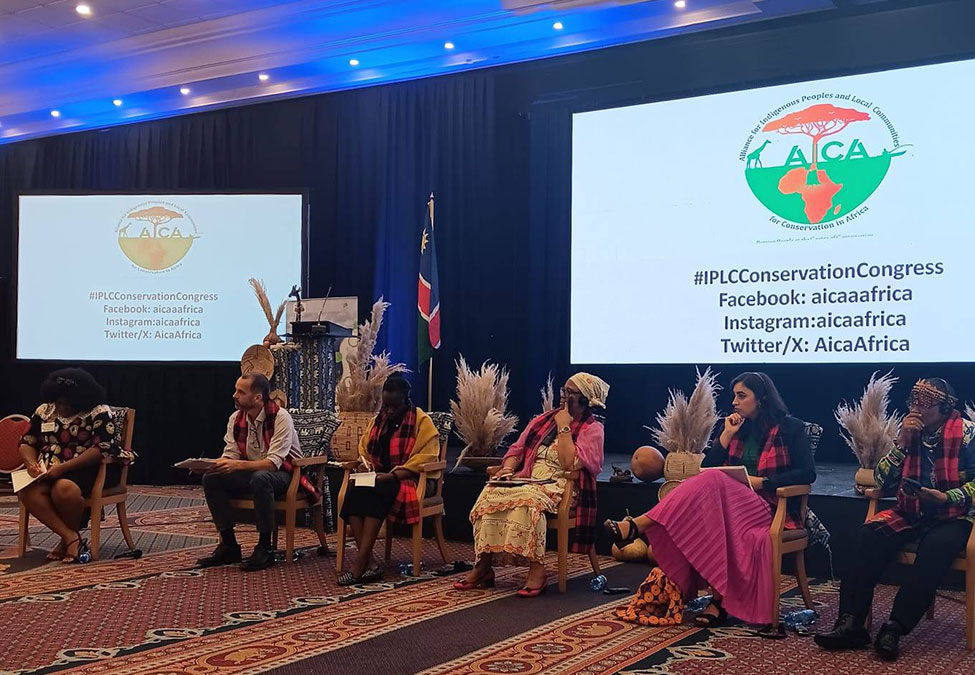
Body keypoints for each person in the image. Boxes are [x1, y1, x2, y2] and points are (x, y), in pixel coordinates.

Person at [605, 371, 815, 626]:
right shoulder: (737, 428)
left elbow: (807, 473)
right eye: (734, 396)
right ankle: (718, 601)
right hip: (732, 506)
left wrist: (765, 482)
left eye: (742, 396)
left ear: (761, 398)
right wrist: (726, 435)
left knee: (713, 481)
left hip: (769, 505)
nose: (735, 402)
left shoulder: (790, 427)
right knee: (708, 481)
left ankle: (640, 524)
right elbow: (706, 468)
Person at [816, 378, 975, 660]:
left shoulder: (967, 434)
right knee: (866, 536)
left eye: (924, 404)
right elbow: (881, 479)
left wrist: (947, 497)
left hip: (954, 515)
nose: (915, 409)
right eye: (913, 402)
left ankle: (895, 627)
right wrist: (902, 443)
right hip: (910, 510)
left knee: (935, 548)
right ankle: (851, 623)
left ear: (946, 408)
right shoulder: (909, 432)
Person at [456, 373, 609, 597]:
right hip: (529, 480)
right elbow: (516, 451)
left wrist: (564, 427)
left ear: (585, 400)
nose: (563, 396)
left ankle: (537, 569)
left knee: (527, 501)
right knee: (490, 492)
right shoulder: (543, 420)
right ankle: (483, 566)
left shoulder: (592, 430)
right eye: (563, 391)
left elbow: (569, 463)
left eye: (570, 393)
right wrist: (507, 470)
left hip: (562, 485)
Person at [18, 368, 133, 564]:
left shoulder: (98, 412)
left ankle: (66, 542)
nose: (60, 408)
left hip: (89, 470)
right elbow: (27, 442)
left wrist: (63, 468)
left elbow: (101, 448)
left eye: (66, 404)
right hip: (48, 470)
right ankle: (70, 537)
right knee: (26, 490)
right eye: (58, 402)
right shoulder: (45, 411)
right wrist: (31, 464)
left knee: (64, 489)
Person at [338, 374, 441, 585]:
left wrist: (395, 474)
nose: (390, 410)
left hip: (411, 477)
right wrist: (365, 464)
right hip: (379, 476)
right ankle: (371, 563)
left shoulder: (421, 421)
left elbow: (429, 456)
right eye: (386, 405)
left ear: (406, 401)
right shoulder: (379, 420)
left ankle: (359, 563)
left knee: (379, 490)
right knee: (354, 489)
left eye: (395, 406)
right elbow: (364, 448)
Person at [198, 372, 303, 572]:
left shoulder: (281, 417)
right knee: (212, 478)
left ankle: (265, 547)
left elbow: (273, 463)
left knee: (261, 478)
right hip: (252, 471)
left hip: (286, 473)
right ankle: (229, 544)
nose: (234, 395)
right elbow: (231, 454)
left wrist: (237, 466)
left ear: (257, 397)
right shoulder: (236, 418)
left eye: (240, 392)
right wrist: (210, 465)